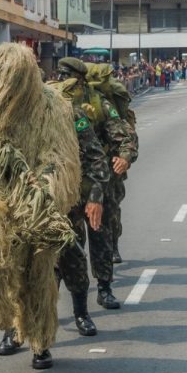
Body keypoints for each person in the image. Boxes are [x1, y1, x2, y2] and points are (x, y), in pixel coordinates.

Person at [0, 43, 79, 368]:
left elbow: (60, 156)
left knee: (37, 278)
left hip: (34, 204)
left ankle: (39, 342)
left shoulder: (52, 106)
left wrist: (41, 192)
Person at [55, 57, 136, 311]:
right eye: (60, 75)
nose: (63, 81)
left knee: (100, 234)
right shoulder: (51, 101)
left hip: (98, 179)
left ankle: (104, 288)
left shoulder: (99, 102)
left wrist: (124, 156)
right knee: (67, 239)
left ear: (80, 80)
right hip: (65, 182)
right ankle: (55, 294)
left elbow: (124, 135)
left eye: (68, 76)